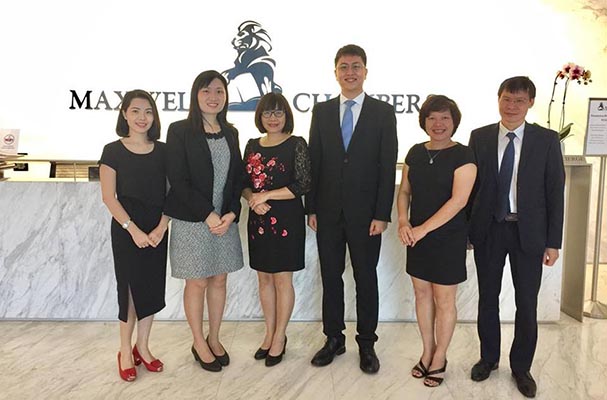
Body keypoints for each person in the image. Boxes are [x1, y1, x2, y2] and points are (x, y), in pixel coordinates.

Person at [468, 76, 565, 398]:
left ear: (530, 103)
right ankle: (488, 358)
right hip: (490, 230)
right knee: (487, 298)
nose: (512, 106)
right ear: (498, 99)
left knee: (526, 302)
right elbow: (471, 188)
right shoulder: (480, 137)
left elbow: (555, 193)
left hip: (529, 233)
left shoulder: (546, 140)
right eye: (507, 99)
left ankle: (521, 367)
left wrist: (553, 242)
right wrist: (469, 230)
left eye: (519, 101)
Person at [306, 44, 398, 374]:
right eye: (343, 67)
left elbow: (387, 166)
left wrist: (382, 214)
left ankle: (367, 343)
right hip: (327, 212)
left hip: (366, 216)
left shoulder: (382, 112)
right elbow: (314, 161)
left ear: (365, 71)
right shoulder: (322, 111)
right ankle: (334, 338)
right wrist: (311, 208)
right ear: (335, 73)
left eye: (356, 66)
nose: (350, 72)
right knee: (331, 278)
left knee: (365, 279)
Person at [164, 70, 244, 373]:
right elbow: (178, 180)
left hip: (224, 221)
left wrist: (231, 213)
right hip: (193, 221)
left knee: (219, 279)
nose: (213, 97)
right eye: (206, 91)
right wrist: (208, 214)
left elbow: (237, 178)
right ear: (195, 95)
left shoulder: (231, 132)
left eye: (219, 91)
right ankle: (198, 342)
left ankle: (215, 337)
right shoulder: (180, 131)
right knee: (197, 282)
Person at [397, 95, 476, 387]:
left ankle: (440, 357)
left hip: (448, 238)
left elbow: (458, 201)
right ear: (424, 121)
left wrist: (422, 230)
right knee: (421, 295)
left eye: (444, 118)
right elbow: (405, 191)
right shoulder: (415, 152)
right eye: (432, 118)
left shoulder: (464, 155)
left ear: (454, 121)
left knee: (444, 300)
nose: (438, 123)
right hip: (416, 235)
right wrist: (403, 221)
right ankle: (427, 350)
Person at [99, 89, 168, 382]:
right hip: (127, 230)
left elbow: (172, 193)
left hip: (156, 231)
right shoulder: (112, 150)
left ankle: (143, 347)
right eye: (136, 111)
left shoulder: (164, 151)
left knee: (151, 289)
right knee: (128, 292)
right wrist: (134, 230)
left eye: (148, 111)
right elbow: (109, 197)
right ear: (125, 114)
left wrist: (162, 227)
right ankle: (125, 351)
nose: (143, 117)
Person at [242, 92, 311, 367]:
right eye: (268, 113)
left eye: (278, 112)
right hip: (258, 220)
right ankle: (269, 333)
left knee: (283, 280)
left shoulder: (296, 144)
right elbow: (243, 183)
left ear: (287, 116)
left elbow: (303, 184)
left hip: (286, 221)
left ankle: (280, 336)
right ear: (260, 116)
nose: (273, 118)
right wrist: (252, 199)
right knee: (264, 280)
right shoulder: (251, 145)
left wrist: (266, 195)